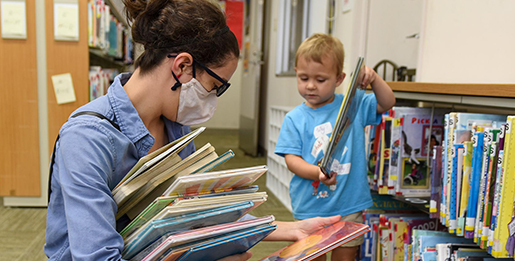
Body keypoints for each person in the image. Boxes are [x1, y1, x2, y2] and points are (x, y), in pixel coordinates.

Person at [44, 1, 340, 260]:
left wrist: (291, 228)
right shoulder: (86, 140)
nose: (212, 101)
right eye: (215, 87)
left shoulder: (176, 129)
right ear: (183, 66)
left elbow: (198, 210)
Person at [274, 33, 396, 261]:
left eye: (320, 80)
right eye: (303, 78)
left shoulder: (354, 105)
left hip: (349, 203)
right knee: (313, 257)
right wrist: (317, 173)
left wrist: (374, 79)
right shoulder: (294, 118)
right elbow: (292, 160)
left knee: (346, 257)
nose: (310, 86)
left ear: (339, 79)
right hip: (311, 205)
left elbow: (387, 102)